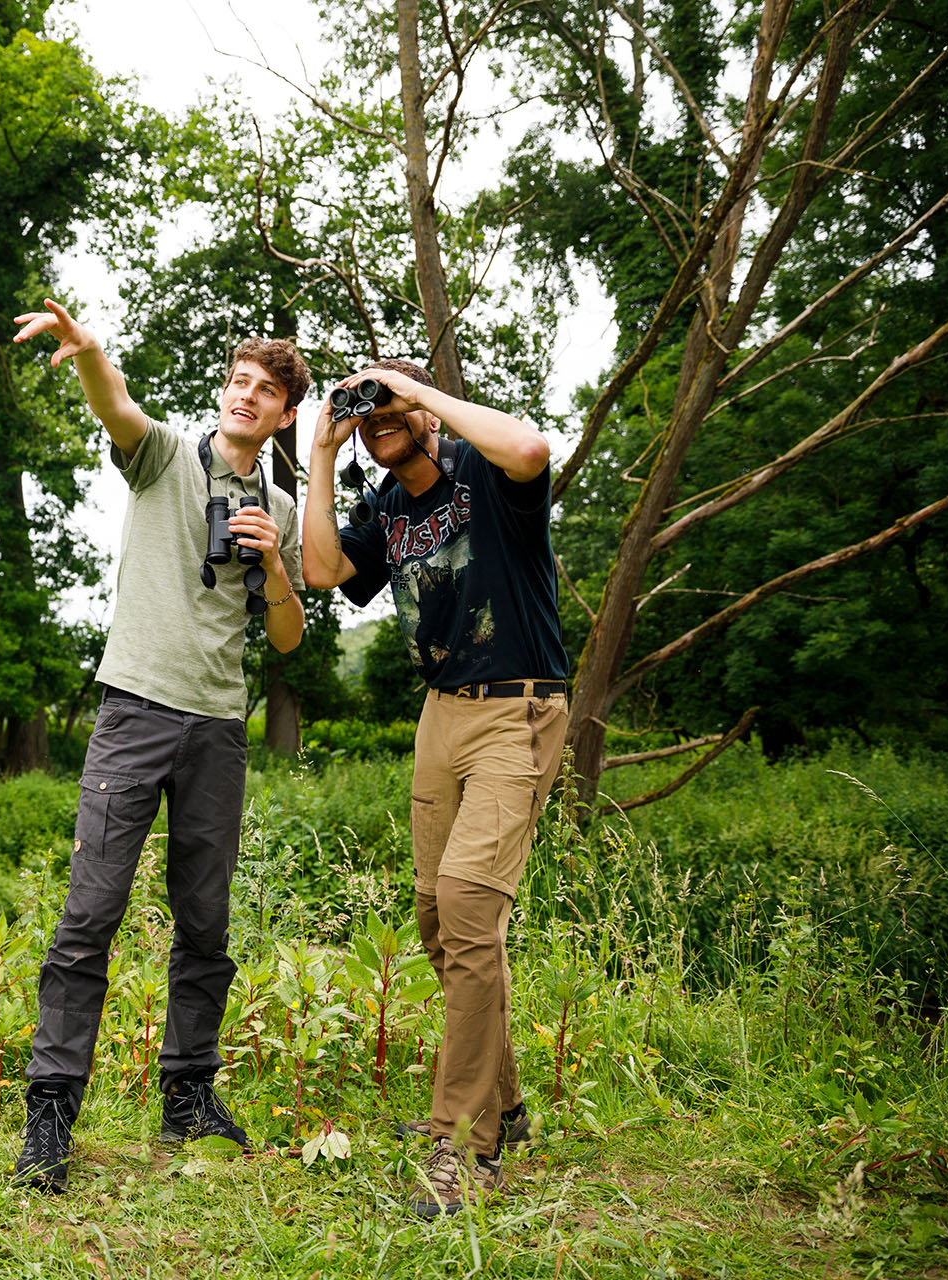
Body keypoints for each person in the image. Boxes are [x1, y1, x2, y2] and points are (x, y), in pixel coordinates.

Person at [7, 298, 308, 1193]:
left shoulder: (280, 507)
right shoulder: (169, 457)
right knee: (88, 917)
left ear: (285, 414)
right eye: (237, 382)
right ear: (224, 393)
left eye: (265, 391)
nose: (246, 397)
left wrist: (277, 565)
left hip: (218, 726)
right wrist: (92, 353)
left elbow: (287, 638)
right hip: (135, 710)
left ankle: (188, 1098)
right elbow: (117, 407)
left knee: (205, 924)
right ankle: (50, 1119)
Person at [301, 359, 570, 1218]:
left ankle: (467, 1145)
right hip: (440, 716)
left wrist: (417, 394)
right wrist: (319, 453)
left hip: (514, 708)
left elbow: (530, 446)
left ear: (422, 413)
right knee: (437, 917)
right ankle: (508, 1106)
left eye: (387, 404)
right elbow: (321, 573)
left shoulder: (484, 474)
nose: (376, 416)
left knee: (467, 904)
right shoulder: (388, 507)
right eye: (365, 408)